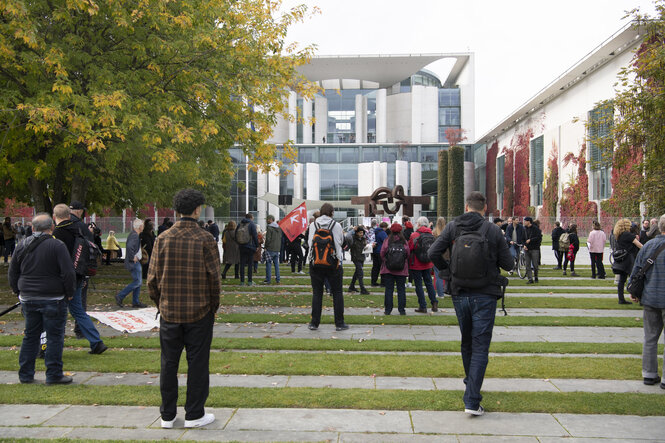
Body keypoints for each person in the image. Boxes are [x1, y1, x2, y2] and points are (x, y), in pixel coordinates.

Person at [428, 192, 513, 416]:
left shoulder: (453, 227)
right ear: (484, 209)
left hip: (460, 292)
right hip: (484, 293)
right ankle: (472, 399)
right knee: (480, 345)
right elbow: (509, 263)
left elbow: (433, 252)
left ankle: (471, 386)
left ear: (467, 207)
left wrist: (447, 272)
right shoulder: (493, 230)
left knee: (468, 342)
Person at [147, 189, 220, 429]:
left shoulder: (163, 238)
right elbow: (214, 280)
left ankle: (167, 415)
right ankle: (194, 414)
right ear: (197, 209)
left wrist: (160, 303)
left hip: (170, 311)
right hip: (199, 311)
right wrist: (213, 307)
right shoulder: (205, 238)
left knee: (169, 363)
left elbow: (152, 279)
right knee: (197, 364)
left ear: (177, 210)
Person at [9, 213, 76, 385]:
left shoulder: (22, 245)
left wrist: (18, 290)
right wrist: (70, 292)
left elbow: (13, 271)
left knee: (30, 336)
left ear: (32, 228)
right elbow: (68, 272)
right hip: (53, 297)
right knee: (54, 337)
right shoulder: (57, 246)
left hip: (28, 296)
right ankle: (53, 374)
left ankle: (25, 374)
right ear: (51, 227)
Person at [52, 204, 107, 354]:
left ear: (54, 216)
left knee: (59, 311)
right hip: (80, 272)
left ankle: (54, 344)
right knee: (78, 310)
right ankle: (96, 341)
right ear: (69, 215)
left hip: (63, 276)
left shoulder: (57, 232)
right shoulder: (80, 228)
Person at [629, 214, 665, 387]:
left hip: (650, 297)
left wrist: (633, 289)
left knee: (650, 337)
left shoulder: (649, 245)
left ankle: (649, 374)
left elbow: (636, 270)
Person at [306, 203, 347, 331]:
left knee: (317, 293)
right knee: (337, 293)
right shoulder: (337, 225)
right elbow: (340, 241)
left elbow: (309, 242)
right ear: (332, 213)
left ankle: (314, 323)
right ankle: (339, 323)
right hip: (333, 262)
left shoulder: (313, 225)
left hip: (316, 262)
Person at [115, 218, 147, 308]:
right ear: (140, 226)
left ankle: (135, 301)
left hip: (134, 262)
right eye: (142, 225)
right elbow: (129, 247)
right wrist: (133, 257)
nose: (143, 227)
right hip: (133, 262)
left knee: (138, 282)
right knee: (137, 281)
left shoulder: (134, 234)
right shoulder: (134, 235)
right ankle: (120, 295)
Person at [409, 216, 438, 313]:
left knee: (418, 285)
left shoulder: (414, 235)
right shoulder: (431, 234)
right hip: (428, 263)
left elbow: (410, 247)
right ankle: (434, 302)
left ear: (418, 224)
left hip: (417, 263)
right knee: (429, 283)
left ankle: (423, 305)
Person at [380, 223, 410, 315]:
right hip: (401, 269)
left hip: (389, 269)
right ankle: (402, 310)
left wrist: (387, 261)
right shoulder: (404, 241)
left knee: (389, 289)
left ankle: (388, 310)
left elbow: (382, 252)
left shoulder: (388, 240)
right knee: (401, 290)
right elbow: (407, 254)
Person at [612, 218, 642, 305]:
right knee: (635, 279)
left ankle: (621, 299)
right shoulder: (627, 235)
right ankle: (637, 297)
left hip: (622, 259)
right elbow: (639, 245)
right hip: (628, 259)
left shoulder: (618, 235)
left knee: (622, 280)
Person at [237, 213, 258, 286]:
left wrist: (239, 243)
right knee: (250, 264)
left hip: (242, 246)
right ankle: (249, 281)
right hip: (250, 246)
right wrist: (257, 245)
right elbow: (255, 235)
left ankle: (242, 281)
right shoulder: (251, 224)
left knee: (242, 264)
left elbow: (236, 235)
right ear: (251, 217)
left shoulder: (240, 224)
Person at [348, 225, 370, 294]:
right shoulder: (353, 238)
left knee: (357, 272)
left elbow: (364, 248)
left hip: (361, 257)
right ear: (357, 233)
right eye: (360, 233)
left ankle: (351, 287)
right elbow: (347, 237)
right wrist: (353, 230)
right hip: (356, 257)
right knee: (360, 273)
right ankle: (362, 289)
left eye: (362, 233)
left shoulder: (363, 239)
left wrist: (370, 247)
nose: (361, 234)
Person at [432, 216, 448, 298]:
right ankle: (448, 291)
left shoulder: (434, 232)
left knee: (438, 275)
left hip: (437, 255)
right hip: (446, 255)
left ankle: (440, 294)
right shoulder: (447, 231)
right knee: (449, 275)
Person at [263, 215, 281, 284]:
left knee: (268, 264)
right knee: (276, 265)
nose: (266, 221)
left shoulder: (269, 227)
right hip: (277, 248)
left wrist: (266, 246)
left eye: (267, 219)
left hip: (270, 248)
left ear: (270, 219)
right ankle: (278, 279)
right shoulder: (279, 228)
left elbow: (268, 239)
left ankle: (268, 279)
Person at [523, 217, 542, 284]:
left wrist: (531, 240)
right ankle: (530, 279)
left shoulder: (535, 229)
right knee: (527, 264)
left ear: (529, 221)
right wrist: (524, 245)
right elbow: (523, 238)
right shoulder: (524, 229)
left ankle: (536, 276)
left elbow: (539, 237)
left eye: (525, 221)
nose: (524, 222)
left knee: (535, 264)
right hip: (527, 248)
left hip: (534, 248)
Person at [371, 222, 388, 287]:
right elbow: (386, 241)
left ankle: (373, 281)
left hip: (375, 251)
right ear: (385, 227)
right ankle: (383, 282)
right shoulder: (382, 233)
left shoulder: (375, 232)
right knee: (382, 267)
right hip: (381, 252)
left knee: (375, 267)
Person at [402, 217, 415, 288]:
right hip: (412, 251)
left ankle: (404, 282)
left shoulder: (404, 232)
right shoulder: (413, 233)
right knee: (411, 268)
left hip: (405, 250)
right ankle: (410, 282)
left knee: (404, 267)